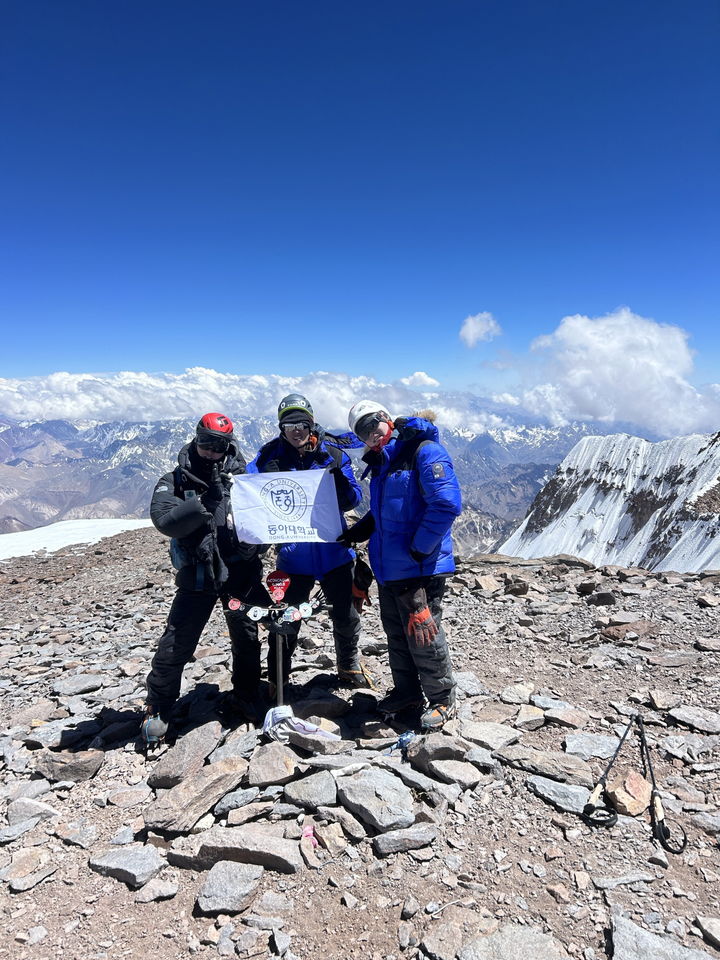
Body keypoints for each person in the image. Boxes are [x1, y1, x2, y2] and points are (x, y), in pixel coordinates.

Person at [142, 413, 269, 742]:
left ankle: (246, 694)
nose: (211, 451)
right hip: (198, 575)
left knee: (246, 638)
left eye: (220, 446)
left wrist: (258, 546)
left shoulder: (244, 481)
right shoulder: (176, 480)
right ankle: (158, 706)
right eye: (206, 443)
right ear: (196, 440)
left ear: (230, 447)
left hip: (240, 574)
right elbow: (164, 520)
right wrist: (204, 503)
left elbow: (266, 521)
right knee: (176, 643)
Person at [339, 401, 461, 730]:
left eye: (374, 423)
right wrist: (361, 530)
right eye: (363, 430)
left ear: (388, 419)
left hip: (420, 568)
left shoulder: (423, 450)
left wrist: (420, 549)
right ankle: (407, 693)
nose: (372, 432)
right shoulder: (384, 461)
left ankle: (442, 699)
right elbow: (386, 511)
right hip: (390, 568)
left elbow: (447, 504)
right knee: (397, 635)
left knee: (423, 634)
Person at [247, 393, 371, 692]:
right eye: (289, 424)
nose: (296, 430)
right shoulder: (267, 459)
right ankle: (279, 677)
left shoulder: (333, 455)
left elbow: (354, 499)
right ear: (281, 428)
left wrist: (339, 479)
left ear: (311, 424)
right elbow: (248, 490)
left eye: (301, 422)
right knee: (287, 620)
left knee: (346, 615)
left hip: (334, 552)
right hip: (295, 559)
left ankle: (348, 665)